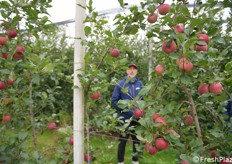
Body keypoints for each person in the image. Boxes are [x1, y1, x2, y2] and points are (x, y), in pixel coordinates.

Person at [111, 63, 144, 164]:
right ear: (126, 71)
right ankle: (120, 162)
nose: (132, 70)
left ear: (136, 71)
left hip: (137, 119)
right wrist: (124, 109)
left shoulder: (140, 84)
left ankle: (135, 161)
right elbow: (114, 100)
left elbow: (144, 99)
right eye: (130, 69)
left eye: (134, 69)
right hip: (124, 118)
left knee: (137, 141)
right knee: (122, 141)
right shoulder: (121, 84)